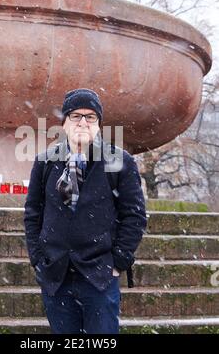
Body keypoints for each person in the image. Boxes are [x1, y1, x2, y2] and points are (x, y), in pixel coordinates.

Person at [24, 88, 147, 334]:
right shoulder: (46, 161)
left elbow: (134, 216)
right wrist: (38, 258)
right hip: (56, 274)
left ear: (99, 124)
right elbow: (33, 213)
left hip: (99, 275)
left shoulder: (119, 162)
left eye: (90, 116)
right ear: (65, 123)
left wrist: (118, 261)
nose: (83, 122)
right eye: (76, 115)